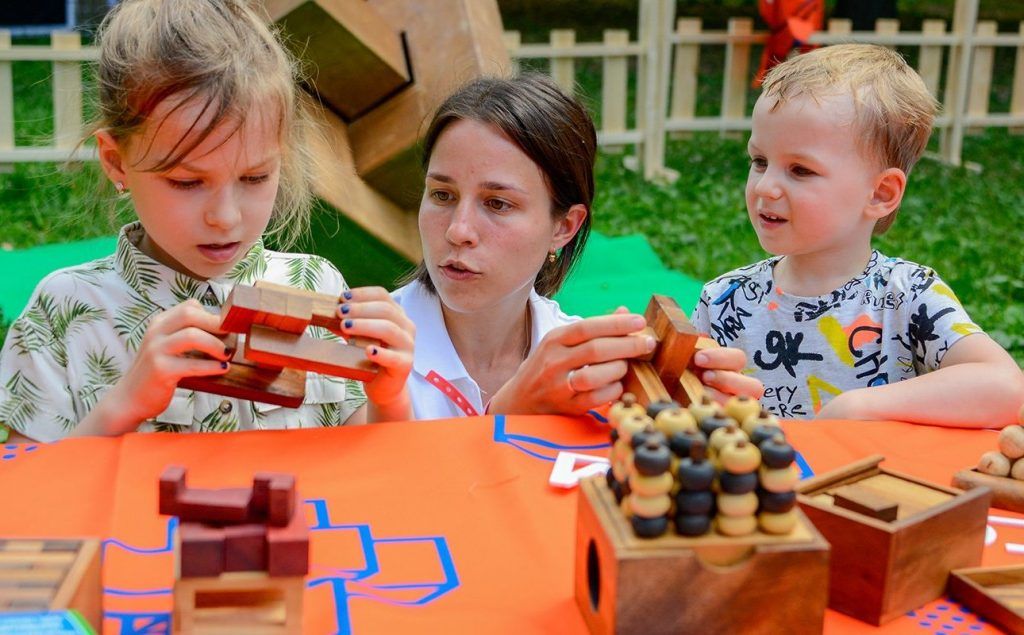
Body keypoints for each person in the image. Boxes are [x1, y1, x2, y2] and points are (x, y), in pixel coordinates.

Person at [0, 0, 414, 442]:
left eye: (255, 177)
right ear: (116, 161)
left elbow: (370, 472)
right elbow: (25, 497)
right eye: (185, 182)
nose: (225, 217)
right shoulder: (63, 312)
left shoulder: (317, 285)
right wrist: (124, 407)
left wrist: (389, 400)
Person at [392, 74, 762, 420]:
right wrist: (507, 413)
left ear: (564, 227)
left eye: (497, 203)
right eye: (442, 195)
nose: (458, 231)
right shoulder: (356, 358)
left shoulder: (591, 376)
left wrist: (683, 430)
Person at [691, 44, 1024, 426]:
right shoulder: (724, 301)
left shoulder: (907, 295)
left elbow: (1006, 387)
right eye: (760, 161)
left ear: (880, 194)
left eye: (800, 170)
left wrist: (861, 406)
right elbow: (675, 401)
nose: (766, 187)